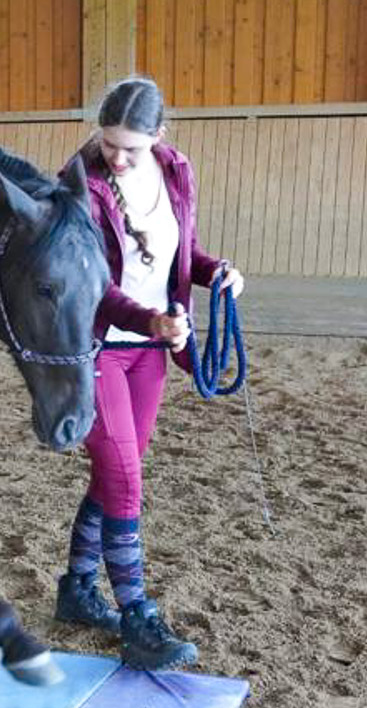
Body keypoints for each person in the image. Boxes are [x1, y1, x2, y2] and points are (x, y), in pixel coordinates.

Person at [54, 77, 245, 670]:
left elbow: (178, 250)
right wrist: (152, 320)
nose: (116, 156)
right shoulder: (78, 182)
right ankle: (137, 615)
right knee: (126, 477)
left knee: (119, 469)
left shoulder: (176, 171)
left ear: (159, 137)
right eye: (109, 142)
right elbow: (93, 286)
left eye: (130, 147)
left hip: (151, 349)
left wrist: (215, 273)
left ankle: (78, 590)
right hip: (96, 345)